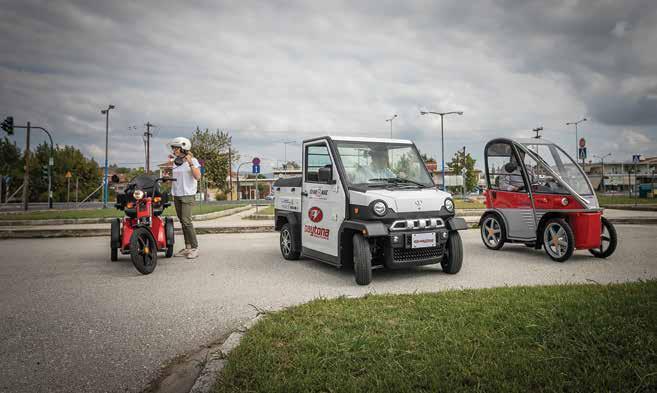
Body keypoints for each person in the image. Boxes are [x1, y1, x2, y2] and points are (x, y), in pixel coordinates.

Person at [167, 137, 202, 259]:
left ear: (183, 148)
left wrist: (190, 162)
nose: (174, 150)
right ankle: (187, 248)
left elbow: (198, 177)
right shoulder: (176, 162)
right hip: (177, 194)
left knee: (187, 221)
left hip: (188, 194)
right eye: (173, 148)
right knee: (182, 221)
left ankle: (194, 248)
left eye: (175, 148)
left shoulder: (193, 160)